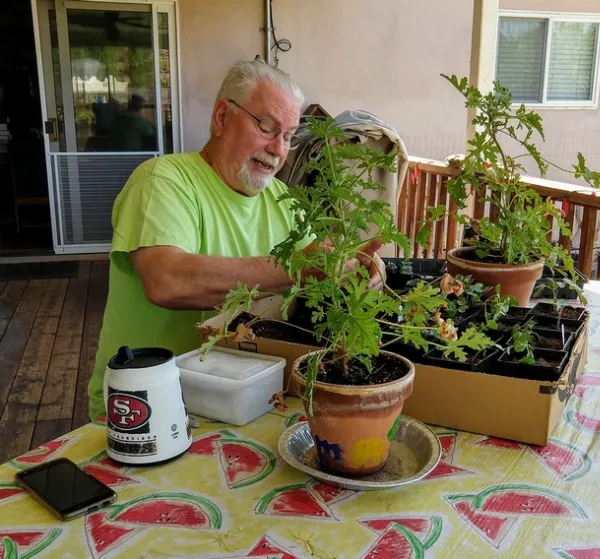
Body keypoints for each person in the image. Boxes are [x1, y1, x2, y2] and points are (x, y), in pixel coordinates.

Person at [87, 60, 386, 421]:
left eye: (289, 135)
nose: (278, 149)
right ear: (222, 117)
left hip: (245, 400)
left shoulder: (280, 196)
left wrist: (355, 269)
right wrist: (300, 269)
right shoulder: (162, 181)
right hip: (148, 407)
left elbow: (314, 259)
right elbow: (167, 281)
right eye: (266, 127)